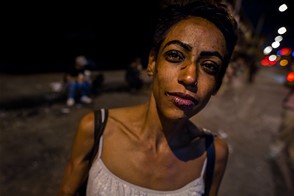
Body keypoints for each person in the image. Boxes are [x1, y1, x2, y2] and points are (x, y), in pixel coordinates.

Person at [57, 0, 238, 195]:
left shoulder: (213, 155)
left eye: (209, 66)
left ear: (217, 84)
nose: (189, 77)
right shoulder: (96, 129)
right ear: (152, 62)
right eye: (176, 55)